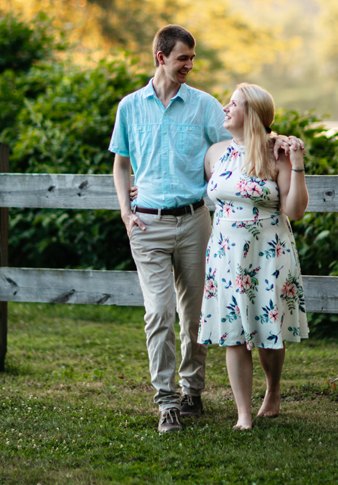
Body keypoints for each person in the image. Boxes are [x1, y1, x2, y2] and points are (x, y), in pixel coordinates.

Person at [110, 25, 228, 433]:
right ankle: (167, 402)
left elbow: (234, 149)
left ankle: (193, 389)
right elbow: (121, 163)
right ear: (161, 57)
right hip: (147, 224)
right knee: (159, 312)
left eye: (192, 59)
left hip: (196, 222)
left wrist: (273, 140)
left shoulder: (205, 106)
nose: (189, 66)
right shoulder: (129, 107)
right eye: (183, 59)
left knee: (194, 315)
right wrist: (126, 212)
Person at [198, 82, 308, 430]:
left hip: (268, 255)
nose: (225, 108)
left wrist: (298, 164)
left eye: (234, 104)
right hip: (226, 255)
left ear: (253, 114)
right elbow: (200, 192)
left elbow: (295, 210)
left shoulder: (275, 152)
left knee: (268, 329)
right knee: (233, 332)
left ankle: (273, 390)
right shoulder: (215, 153)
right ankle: (243, 415)